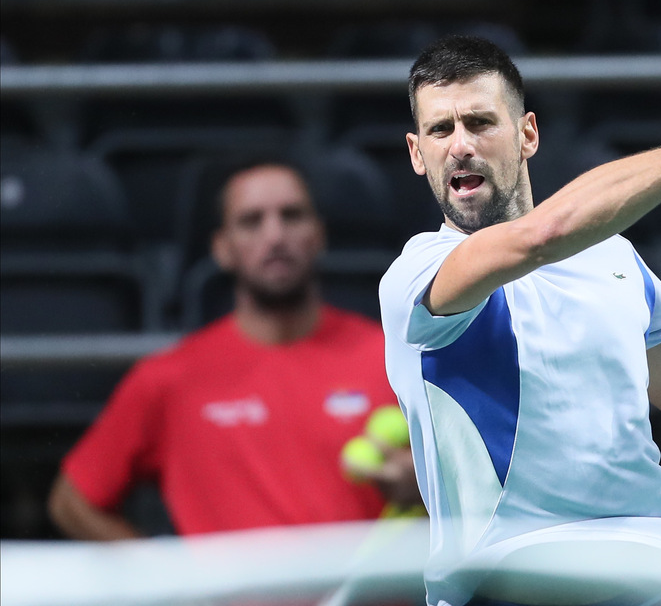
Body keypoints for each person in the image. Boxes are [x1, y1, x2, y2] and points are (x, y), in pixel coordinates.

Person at [380, 36, 661, 606]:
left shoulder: (613, 258)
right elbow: (543, 236)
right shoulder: (417, 277)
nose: (461, 146)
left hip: (658, 571)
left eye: (480, 122)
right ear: (418, 154)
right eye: (441, 130)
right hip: (514, 583)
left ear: (528, 135)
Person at [48, 159, 421, 539]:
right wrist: (165, 586)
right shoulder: (170, 378)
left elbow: (475, 493)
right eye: (251, 221)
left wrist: (425, 492)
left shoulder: (393, 358)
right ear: (222, 248)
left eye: (291, 216)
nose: (275, 235)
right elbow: (72, 502)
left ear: (318, 236)